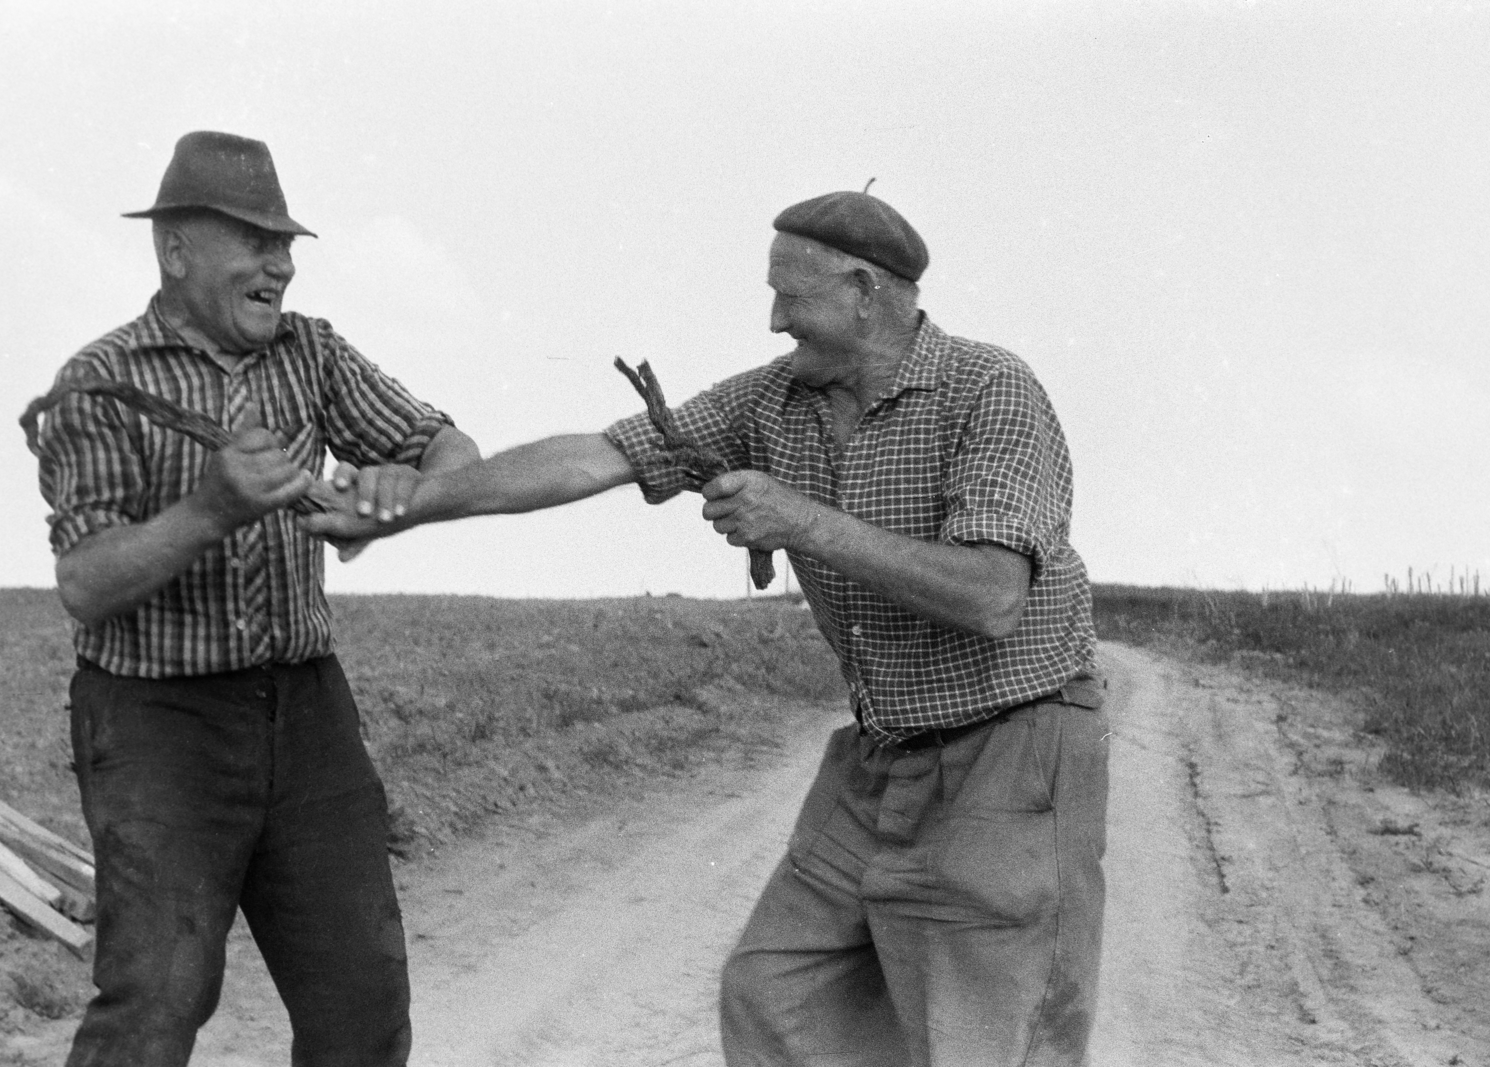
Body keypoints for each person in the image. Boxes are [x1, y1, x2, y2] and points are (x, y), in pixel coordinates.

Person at [305, 189, 1107, 1066]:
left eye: (789, 296)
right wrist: (408, 506)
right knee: (773, 997)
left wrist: (799, 521)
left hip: (1014, 749)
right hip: (883, 756)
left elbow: (993, 596)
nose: (772, 319)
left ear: (863, 289)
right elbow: (595, 457)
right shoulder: (773, 401)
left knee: (985, 1038)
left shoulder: (990, 389)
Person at [32, 130, 479, 1067]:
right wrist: (211, 507)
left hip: (306, 713)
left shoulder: (312, 353)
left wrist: (402, 497)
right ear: (177, 250)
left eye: (285, 244)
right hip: (160, 726)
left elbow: (448, 448)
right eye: (255, 239)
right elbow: (84, 580)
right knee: (156, 1002)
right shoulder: (101, 384)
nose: (280, 263)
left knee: (363, 1007)